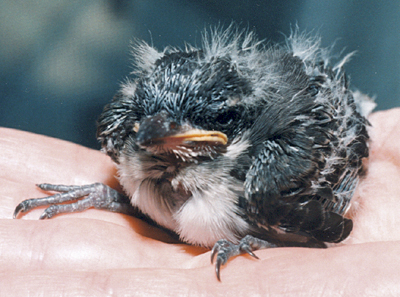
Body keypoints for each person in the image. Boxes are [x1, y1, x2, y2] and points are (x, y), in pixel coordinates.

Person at [1, 109, 399, 295]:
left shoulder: (272, 180)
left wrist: (267, 238)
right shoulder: (137, 135)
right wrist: (111, 193)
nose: (155, 132)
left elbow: (332, 223)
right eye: (149, 123)